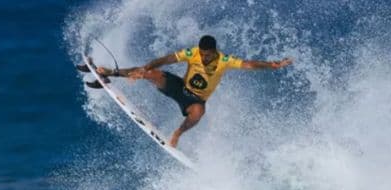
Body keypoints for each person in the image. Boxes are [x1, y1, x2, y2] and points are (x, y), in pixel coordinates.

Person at [96, 35, 292, 148]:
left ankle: (177, 134)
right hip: (180, 87)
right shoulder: (193, 53)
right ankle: (110, 73)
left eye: (208, 55)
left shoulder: (224, 60)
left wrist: (272, 65)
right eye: (203, 54)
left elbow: (249, 64)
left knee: (199, 111)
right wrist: (145, 68)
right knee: (150, 72)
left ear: (215, 51)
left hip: (194, 100)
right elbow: (166, 59)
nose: (204, 58)